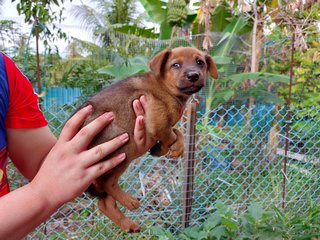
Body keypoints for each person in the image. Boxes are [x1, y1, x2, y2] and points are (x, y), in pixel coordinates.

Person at [0, 52, 154, 239]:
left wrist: (126, 149)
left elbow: (54, 170)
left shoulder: (5, 72)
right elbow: (49, 185)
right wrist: (43, 193)